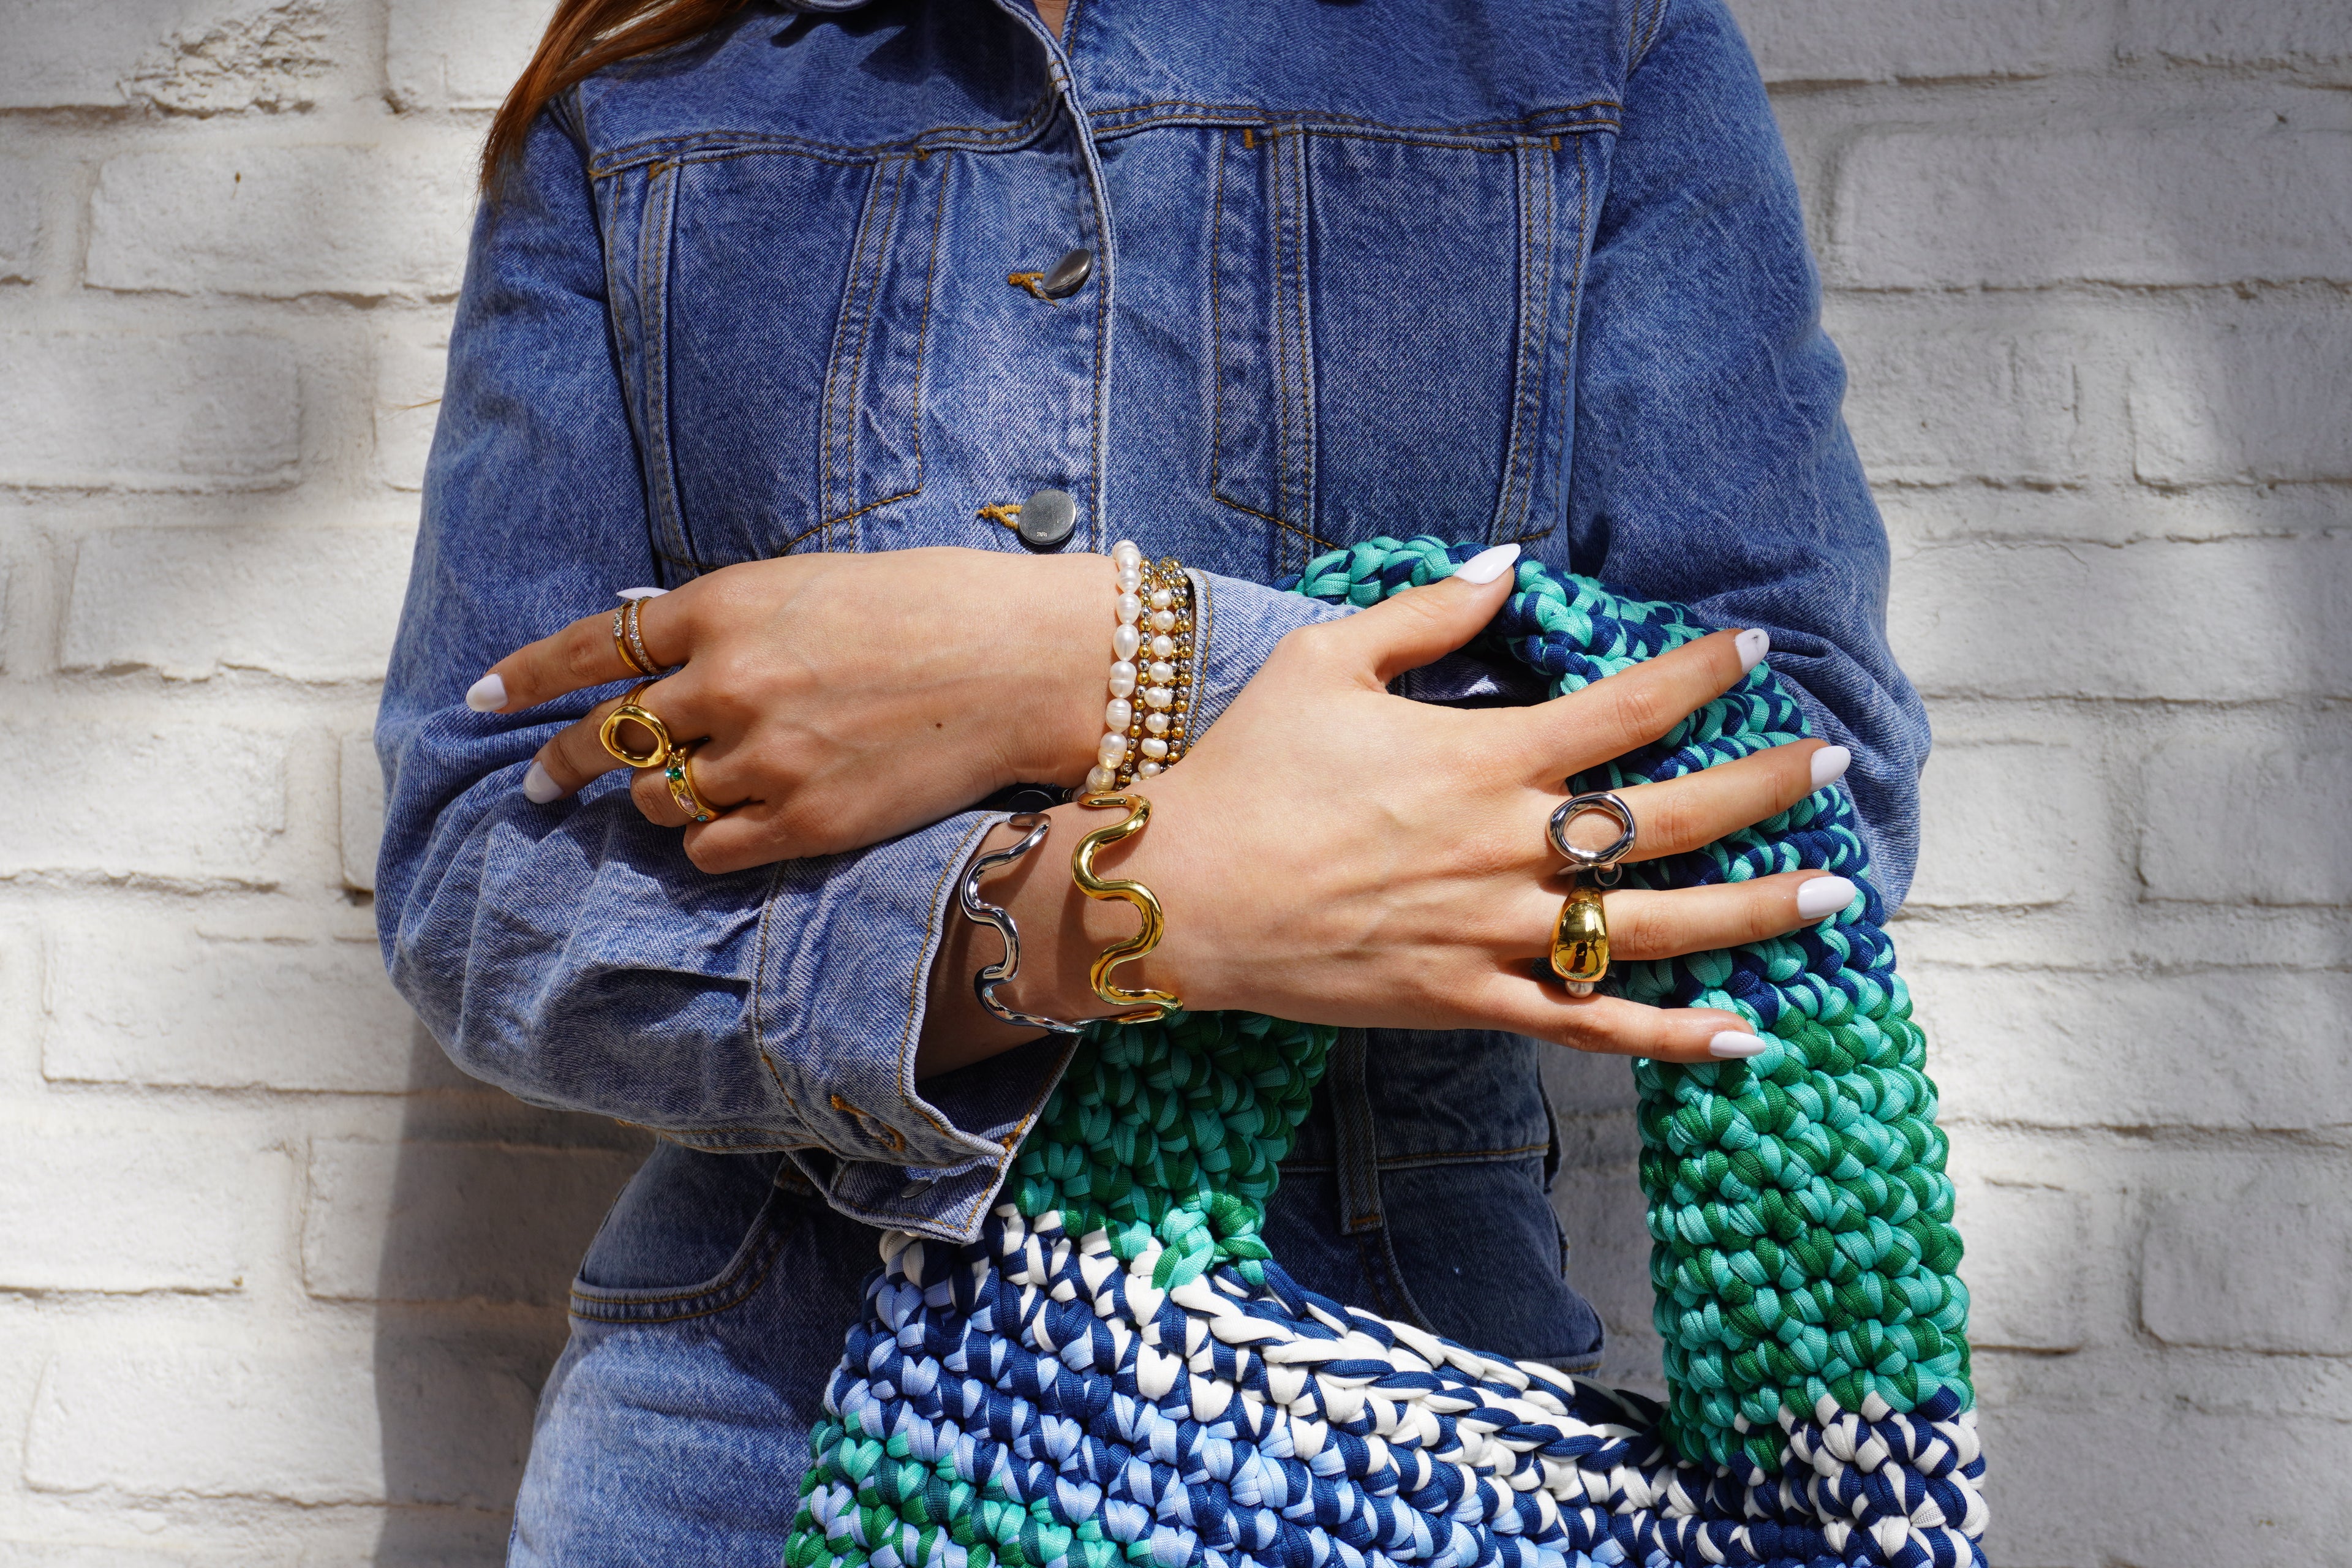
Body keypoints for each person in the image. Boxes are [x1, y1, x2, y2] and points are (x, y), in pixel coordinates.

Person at [373, 0, 1929, 1560]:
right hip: (745, 1439)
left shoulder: (1585, 38)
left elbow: (1806, 775)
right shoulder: (659, 77)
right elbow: (481, 856)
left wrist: (1099, 660)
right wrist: (1085, 912)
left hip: (1395, 1448)